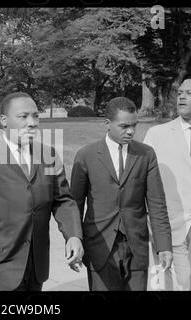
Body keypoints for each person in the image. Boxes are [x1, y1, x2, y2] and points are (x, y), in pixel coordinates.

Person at [0, 92, 84, 291]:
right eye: (23, 117)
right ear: (4, 121)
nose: (32, 123)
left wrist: (73, 235)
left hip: (37, 266)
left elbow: (63, 200)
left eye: (36, 116)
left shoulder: (48, 155)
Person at [70, 97, 173, 291]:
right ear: (107, 124)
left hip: (136, 246)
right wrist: (75, 240)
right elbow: (74, 204)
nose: (131, 131)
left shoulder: (146, 154)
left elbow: (157, 203)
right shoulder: (86, 155)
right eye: (124, 126)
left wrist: (164, 245)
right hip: (99, 245)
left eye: (134, 125)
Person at [144, 79, 191, 290]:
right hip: (165, 225)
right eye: (180, 93)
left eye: (189, 93)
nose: (181, 97)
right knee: (160, 282)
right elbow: (143, 180)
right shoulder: (156, 134)